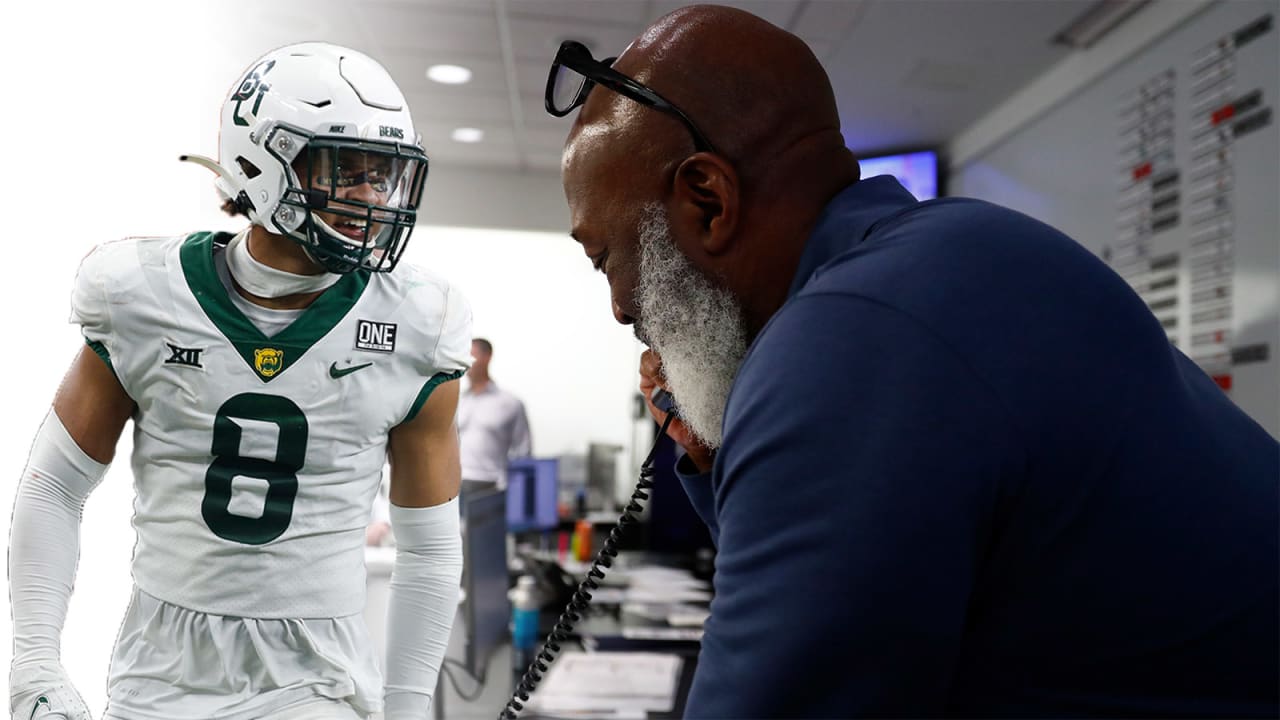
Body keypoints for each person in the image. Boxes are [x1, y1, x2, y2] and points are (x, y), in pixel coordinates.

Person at [548, 5, 1279, 717]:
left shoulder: (849, 338)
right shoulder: (952, 250)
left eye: (607, 258)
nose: (620, 309)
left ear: (708, 200)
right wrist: (711, 454)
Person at [8, 42, 473, 720]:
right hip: (157, 676)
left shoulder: (417, 324)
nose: (371, 195)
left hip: (319, 680)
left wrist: (406, 709)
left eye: (382, 174)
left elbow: (429, 550)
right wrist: (34, 663)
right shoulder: (141, 295)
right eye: (346, 169)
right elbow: (53, 486)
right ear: (261, 159)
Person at [457, 338, 532, 491]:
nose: (465, 361)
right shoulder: (457, 402)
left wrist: (513, 489)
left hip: (492, 486)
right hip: (456, 485)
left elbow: (523, 451)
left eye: (471, 354)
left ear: (487, 357)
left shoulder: (510, 403)